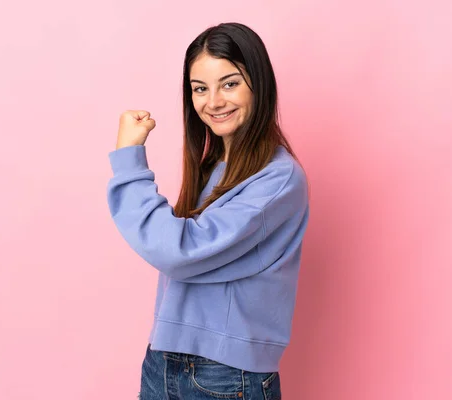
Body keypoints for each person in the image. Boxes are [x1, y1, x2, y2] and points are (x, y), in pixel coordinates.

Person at [107, 22, 309, 400]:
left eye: (229, 83)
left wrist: (129, 163)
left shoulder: (279, 180)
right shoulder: (215, 165)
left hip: (225, 376)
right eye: (200, 88)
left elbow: (179, 251)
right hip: (164, 360)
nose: (213, 102)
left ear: (259, 84)